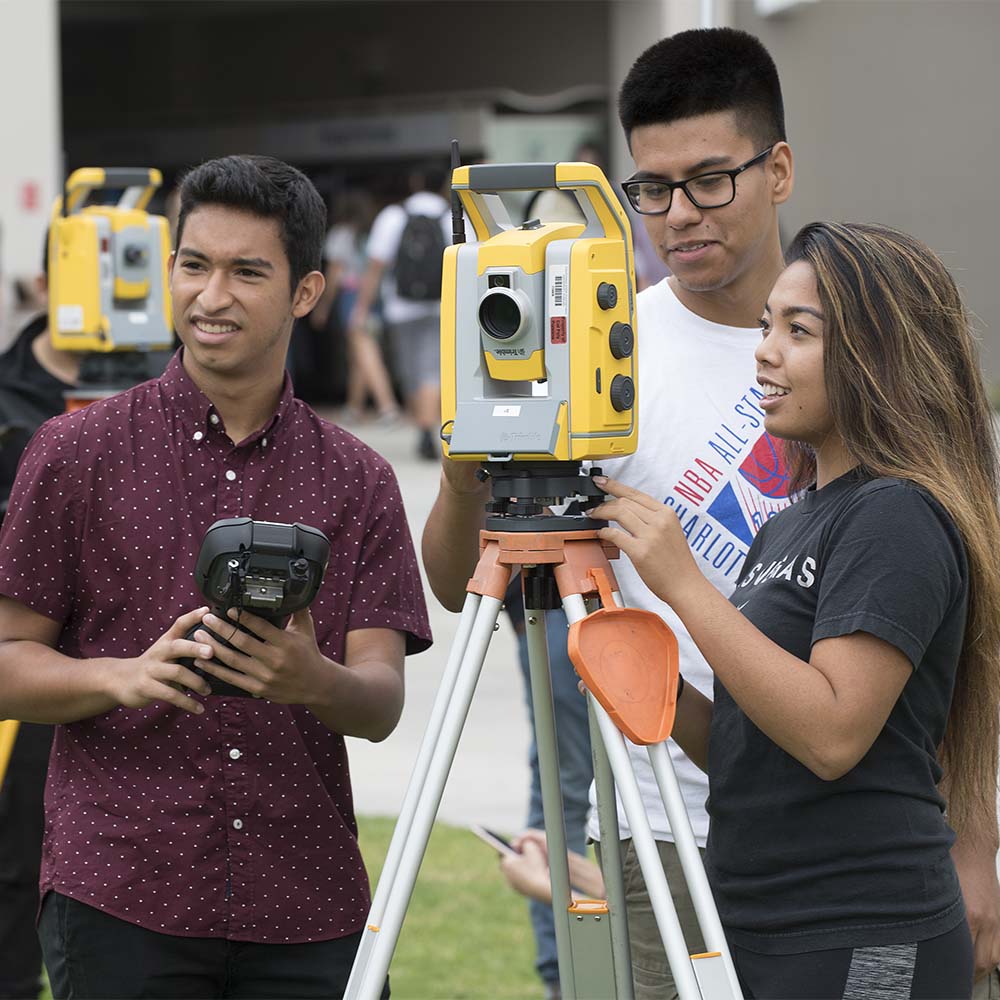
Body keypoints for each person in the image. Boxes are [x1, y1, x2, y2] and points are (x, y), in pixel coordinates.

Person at [421, 27, 1000, 998]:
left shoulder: (869, 348)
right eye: (649, 188)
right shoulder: (593, 345)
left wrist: (976, 837)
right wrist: (461, 465)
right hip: (671, 832)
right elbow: (455, 582)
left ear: (776, 167)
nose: (676, 214)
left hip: (852, 863)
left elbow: (951, 660)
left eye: (706, 180)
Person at [0, 154, 432, 1000]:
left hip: (308, 904)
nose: (210, 295)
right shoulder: (74, 450)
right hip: (121, 894)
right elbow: (8, 662)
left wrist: (313, 681)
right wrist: (121, 677)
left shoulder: (358, 479)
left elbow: (380, 702)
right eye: (193, 265)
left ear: (307, 292)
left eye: (246, 272)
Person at [589, 220, 998, 996]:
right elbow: (754, 750)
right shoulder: (790, 516)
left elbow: (831, 734)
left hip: (865, 932)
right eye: (767, 325)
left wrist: (684, 585)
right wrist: (653, 685)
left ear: (877, 356)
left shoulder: (897, 513)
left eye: (798, 331)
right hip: (764, 926)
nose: (765, 351)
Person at [0, 256, 78, 1000]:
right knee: (12, 864)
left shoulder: (183, 393)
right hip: (21, 666)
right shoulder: (5, 393)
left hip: (135, 668)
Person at [349, 161, 451, 460]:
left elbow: (376, 265)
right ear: (444, 184)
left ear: (416, 182)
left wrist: (362, 307)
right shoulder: (452, 217)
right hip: (441, 305)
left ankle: (423, 428)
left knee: (411, 370)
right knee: (434, 367)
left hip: (401, 308)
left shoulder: (394, 216)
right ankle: (427, 428)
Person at [312, 188, 399, 425]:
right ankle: (354, 407)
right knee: (359, 353)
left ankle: (387, 407)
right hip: (376, 299)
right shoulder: (372, 233)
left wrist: (322, 307)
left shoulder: (342, 234)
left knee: (365, 351)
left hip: (352, 298)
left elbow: (334, 274)